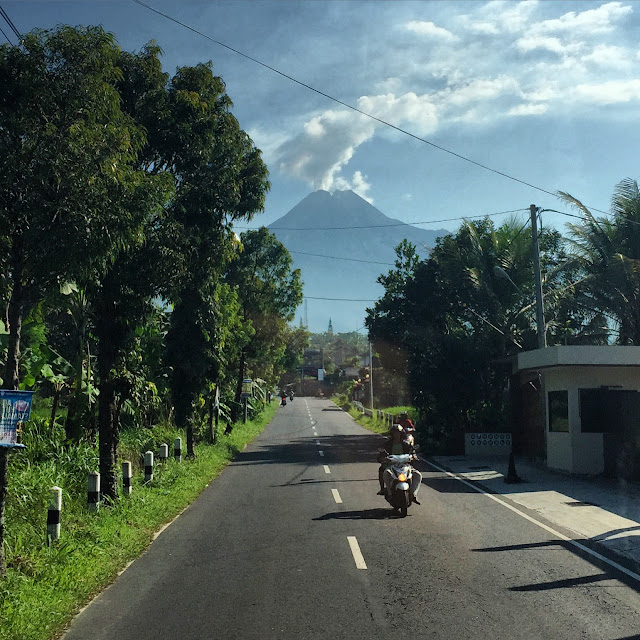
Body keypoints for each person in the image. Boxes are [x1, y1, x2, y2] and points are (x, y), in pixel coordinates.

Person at [376, 424, 422, 505]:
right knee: (385, 473)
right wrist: (383, 458)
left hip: (405, 465)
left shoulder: (406, 444)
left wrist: (414, 456)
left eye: (398, 433)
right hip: (391, 466)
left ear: (401, 434)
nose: (396, 434)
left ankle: (413, 494)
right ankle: (389, 492)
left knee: (417, 475)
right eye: (394, 433)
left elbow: (412, 451)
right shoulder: (387, 444)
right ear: (392, 434)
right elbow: (381, 454)